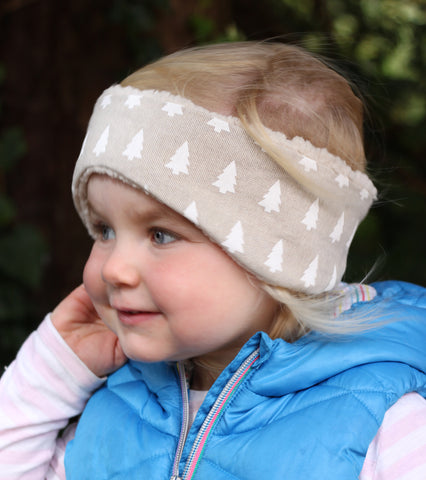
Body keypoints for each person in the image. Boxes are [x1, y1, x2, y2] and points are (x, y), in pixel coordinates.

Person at [0, 41, 425, 480]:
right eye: (105, 230)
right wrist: (51, 372)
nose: (112, 268)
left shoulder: (384, 426)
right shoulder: (115, 408)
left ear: (278, 259)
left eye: (160, 235)